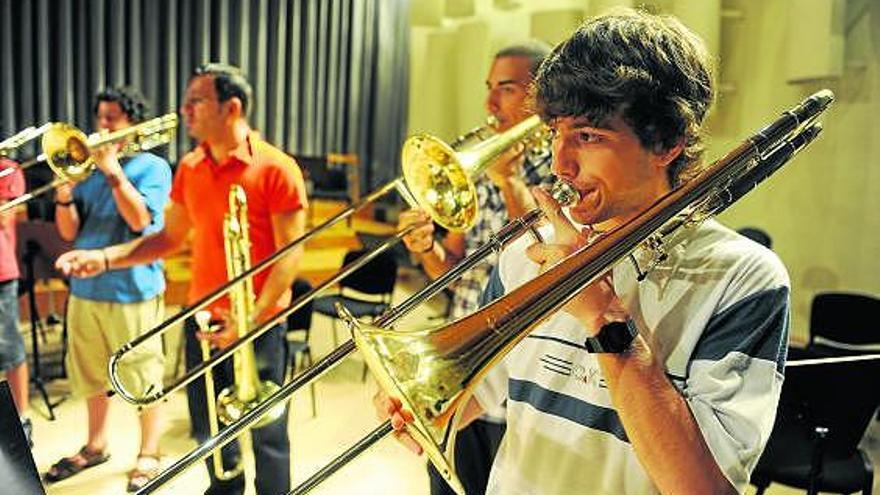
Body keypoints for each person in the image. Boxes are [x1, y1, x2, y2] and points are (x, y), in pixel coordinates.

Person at [380, 10, 790, 495]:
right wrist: (420, 405)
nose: (560, 162)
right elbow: (473, 399)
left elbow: (703, 488)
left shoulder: (745, 278)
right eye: (556, 132)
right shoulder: (526, 252)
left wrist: (603, 317)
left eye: (589, 137)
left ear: (666, 143)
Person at [56, 63, 307, 495]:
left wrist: (252, 317)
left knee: (267, 435)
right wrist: (102, 257)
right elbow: (167, 239)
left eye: (196, 101)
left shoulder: (277, 168)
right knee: (208, 425)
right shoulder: (191, 167)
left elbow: (290, 257)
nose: (183, 110)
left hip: (260, 323)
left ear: (231, 107)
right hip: (204, 319)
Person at [396, 41, 553, 495]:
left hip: (514, 373)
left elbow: (541, 255)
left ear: (540, 96)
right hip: (461, 363)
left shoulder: (563, 170)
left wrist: (510, 181)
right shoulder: (479, 169)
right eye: (489, 88)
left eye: (505, 88)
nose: (488, 104)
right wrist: (424, 246)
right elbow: (451, 272)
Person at [42, 86, 171, 491]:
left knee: (141, 375)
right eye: (100, 117)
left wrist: (115, 172)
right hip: (86, 290)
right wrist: (64, 197)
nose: (103, 125)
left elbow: (138, 223)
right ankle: (96, 445)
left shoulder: (152, 167)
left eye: (112, 117)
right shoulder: (89, 172)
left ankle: (149, 451)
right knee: (92, 375)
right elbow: (70, 232)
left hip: (132, 289)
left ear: (133, 123)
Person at [0, 157, 32, 447]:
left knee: (9, 350)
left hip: (1, 272)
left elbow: (5, 217)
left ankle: (21, 421)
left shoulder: (7, 168)